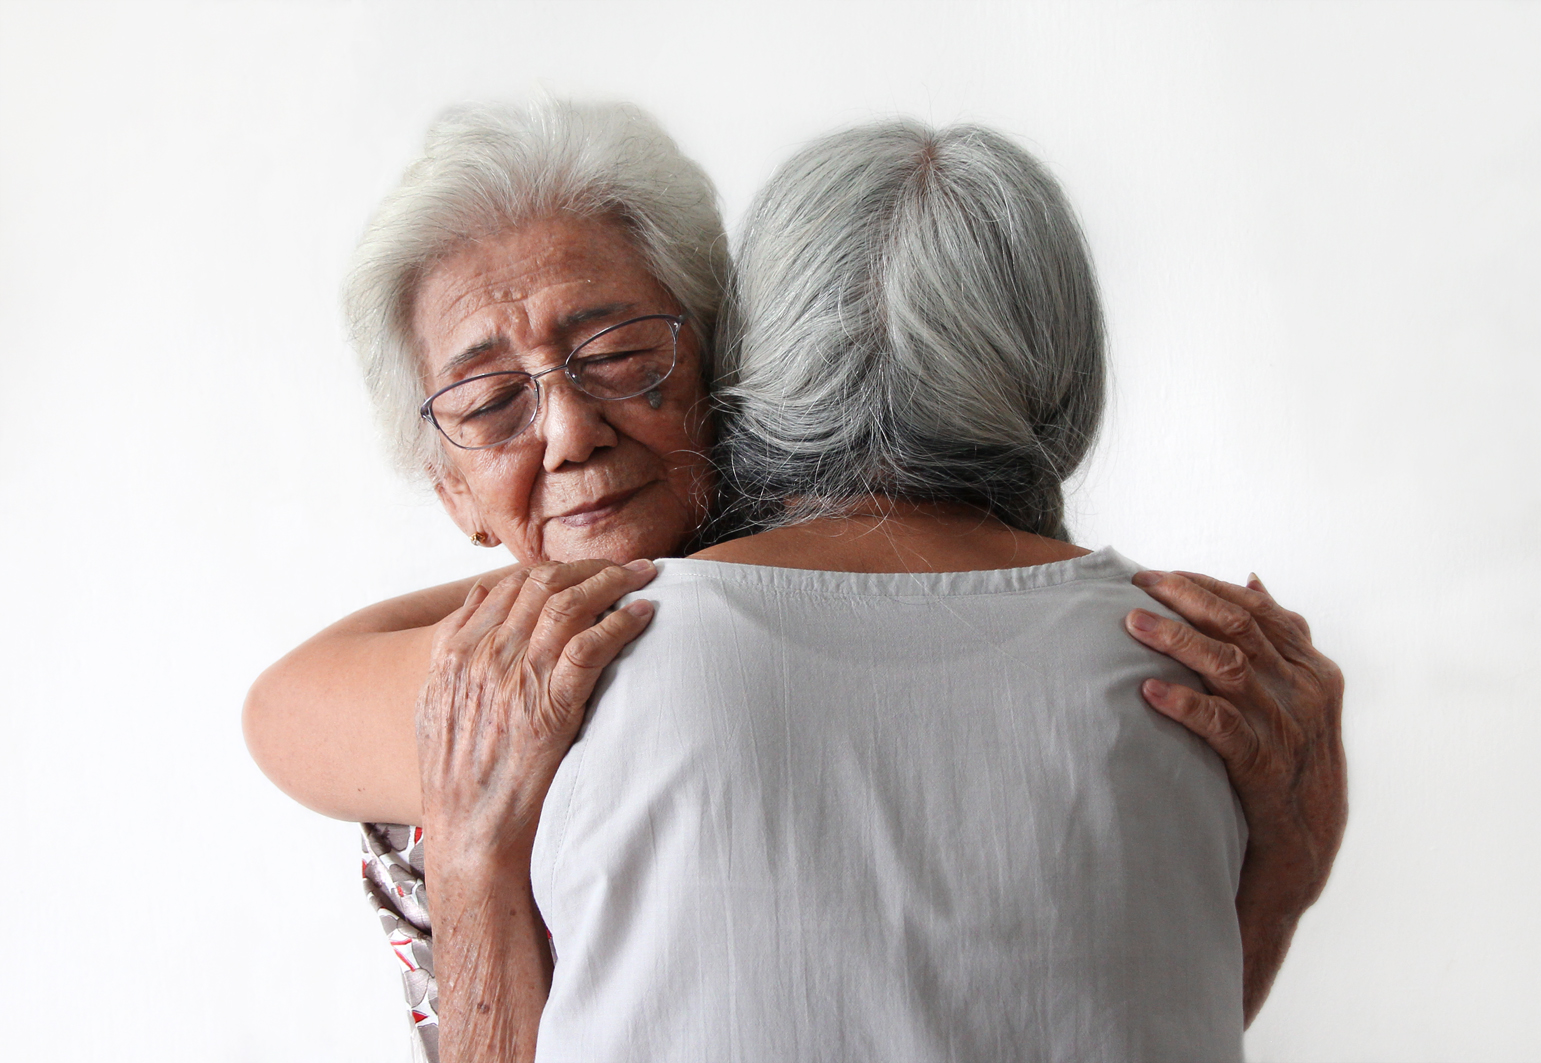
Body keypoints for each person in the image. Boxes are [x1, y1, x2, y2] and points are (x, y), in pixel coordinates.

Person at [243, 98, 1346, 1061]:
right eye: (489, 405)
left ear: (735, 358)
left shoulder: (592, 677)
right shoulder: (533, 676)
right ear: (448, 494)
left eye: (621, 351)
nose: (571, 432)